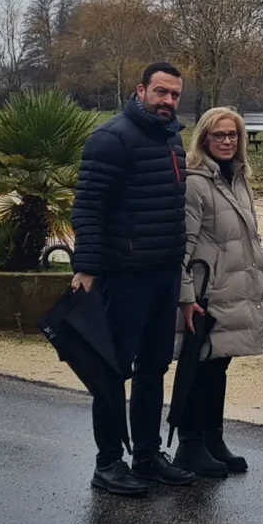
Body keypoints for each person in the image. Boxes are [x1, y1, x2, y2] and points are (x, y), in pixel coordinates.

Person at [70, 62, 190, 489]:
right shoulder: (111, 139)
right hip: (123, 276)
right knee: (112, 370)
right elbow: (88, 208)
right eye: (160, 92)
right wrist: (87, 267)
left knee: (153, 369)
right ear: (140, 91)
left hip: (164, 274)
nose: (168, 101)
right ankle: (107, 462)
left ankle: (146, 455)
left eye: (174, 94)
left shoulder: (173, 138)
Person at [172, 105, 263, 480]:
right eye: (219, 135)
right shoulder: (195, 183)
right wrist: (185, 297)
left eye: (233, 135)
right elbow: (182, 246)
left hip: (235, 289)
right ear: (204, 138)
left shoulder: (238, 178)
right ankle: (190, 444)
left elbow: (247, 234)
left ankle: (213, 439)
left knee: (218, 366)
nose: (227, 141)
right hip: (204, 295)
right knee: (197, 368)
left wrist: (261, 266)